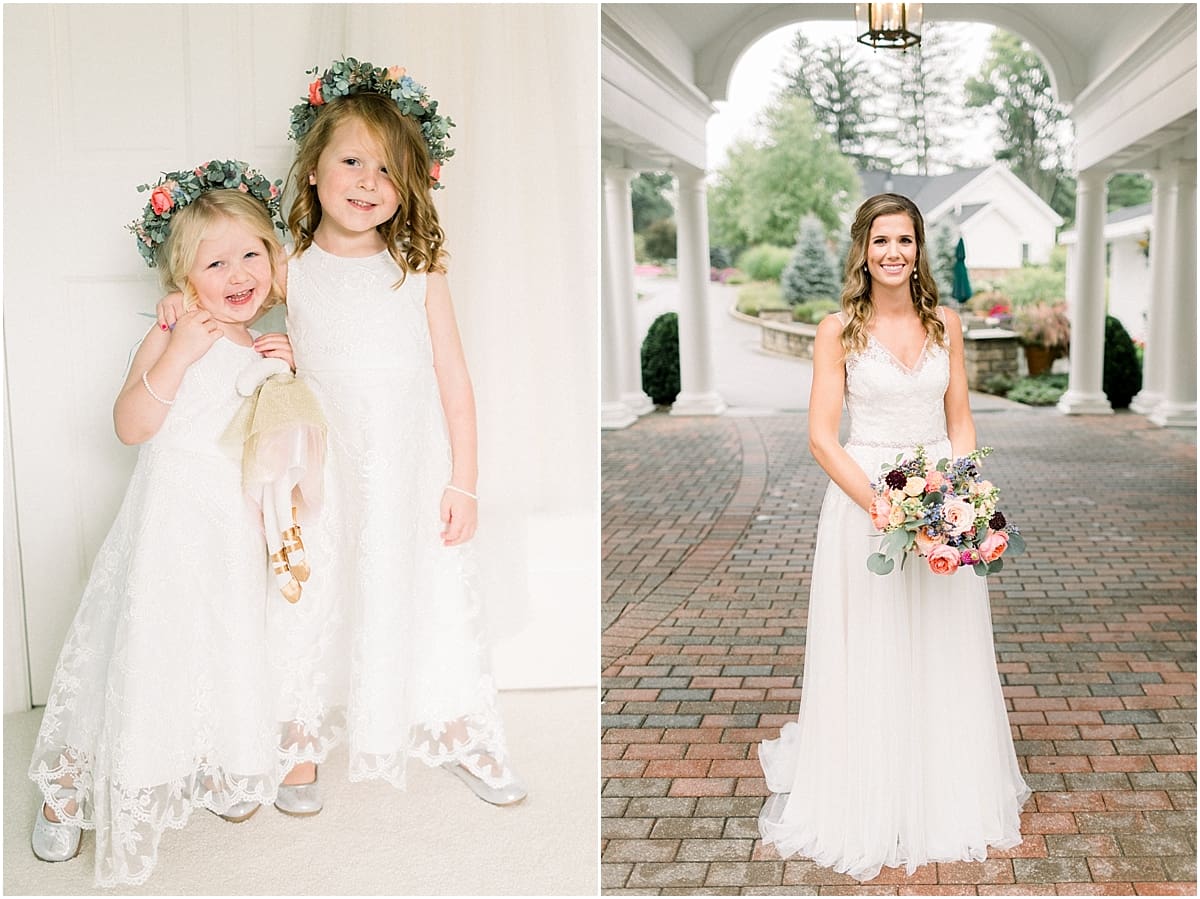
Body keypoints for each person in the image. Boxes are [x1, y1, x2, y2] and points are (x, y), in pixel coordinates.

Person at [159, 60, 525, 810]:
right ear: (315, 170)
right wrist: (182, 307)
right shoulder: (291, 268)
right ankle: (296, 737)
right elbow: (230, 300)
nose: (368, 181)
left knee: (422, 580)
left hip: (408, 460)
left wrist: (465, 479)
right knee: (311, 587)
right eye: (352, 161)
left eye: (388, 170)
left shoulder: (418, 266)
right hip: (321, 462)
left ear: (411, 185)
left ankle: (456, 725)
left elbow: (455, 379)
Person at [28, 163, 297, 886]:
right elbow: (130, 425)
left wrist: (288, 373)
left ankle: (210, 757)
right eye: (215, 261)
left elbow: (280, 447)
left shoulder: (266, 346)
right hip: (169, 529)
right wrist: (176, 354)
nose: (238, 272)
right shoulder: (175, 332)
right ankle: (66, 789)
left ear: (275, 262)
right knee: (139, 647)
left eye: (252, 253)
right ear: (182, 278)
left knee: (219, 642)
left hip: (233, 533)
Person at [757, 193, 1029, 881]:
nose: (893, 252)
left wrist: (957, 491)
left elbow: (960, 416)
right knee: (874, 645)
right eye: (881, 240)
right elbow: (821, 437)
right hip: (864, 505)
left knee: (942, 641)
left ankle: (942, 787)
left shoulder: (946, 324)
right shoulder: (837, 329)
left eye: (904, 240)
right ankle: (871, 791)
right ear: (862, 248)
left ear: (918, 249)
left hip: (940, 503)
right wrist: (880, 505)